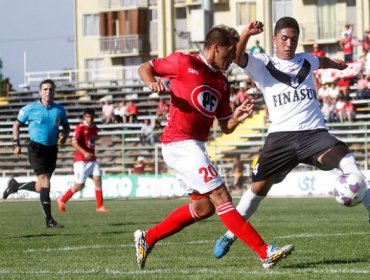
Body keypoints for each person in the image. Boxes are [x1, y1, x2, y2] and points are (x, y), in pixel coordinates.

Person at [134, 24, 294, 270]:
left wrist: (236, 118)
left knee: (204, 207)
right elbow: (145, 67)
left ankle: (148, 237)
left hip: (195, 145)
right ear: (216, 48)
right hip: (179, 143)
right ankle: (265, 253)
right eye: (229, 54)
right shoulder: (183, 62)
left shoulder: (222, 82)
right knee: (221, 196)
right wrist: (151, 82)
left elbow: (225, 127)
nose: (232, 60)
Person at [213, 17, 370, 259]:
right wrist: (246, 33)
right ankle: (229, 234)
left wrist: (336, 66)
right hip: (281, 139)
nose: (289, 43)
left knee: (347, 159)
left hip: (314, 134)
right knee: (257, 189)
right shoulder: (263, 64)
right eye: (284, 38)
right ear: (275, 39)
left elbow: (322, 60)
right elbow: (237, 56)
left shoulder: (306, 60)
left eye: (293, 39)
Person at [2, 79, 70, 228]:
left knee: (41, 186)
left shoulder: (59, 110)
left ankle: (15, 186)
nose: (48, 92)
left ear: (54, 91)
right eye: (45, 89)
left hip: (52, 150)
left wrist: (64, 135)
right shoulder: (30, 108)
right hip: (35, 149)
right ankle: (49, 221)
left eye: (51, 89)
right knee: (46, 182)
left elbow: (66, 126)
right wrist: (16, 144)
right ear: (40, 92)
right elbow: (16, 124)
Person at [57, 108, 109, 213]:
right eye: (87, 117)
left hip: (92, 159)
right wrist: (84, 152)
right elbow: (74, 142)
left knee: (98, 181)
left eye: (92, 117)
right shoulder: (80, 127)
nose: (90, 119)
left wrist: (104, 139)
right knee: (79, 185)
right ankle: (62, 200)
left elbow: (93, 138)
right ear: (84, 117)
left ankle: (99, 206)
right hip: (81, 160)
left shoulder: (95, 127)